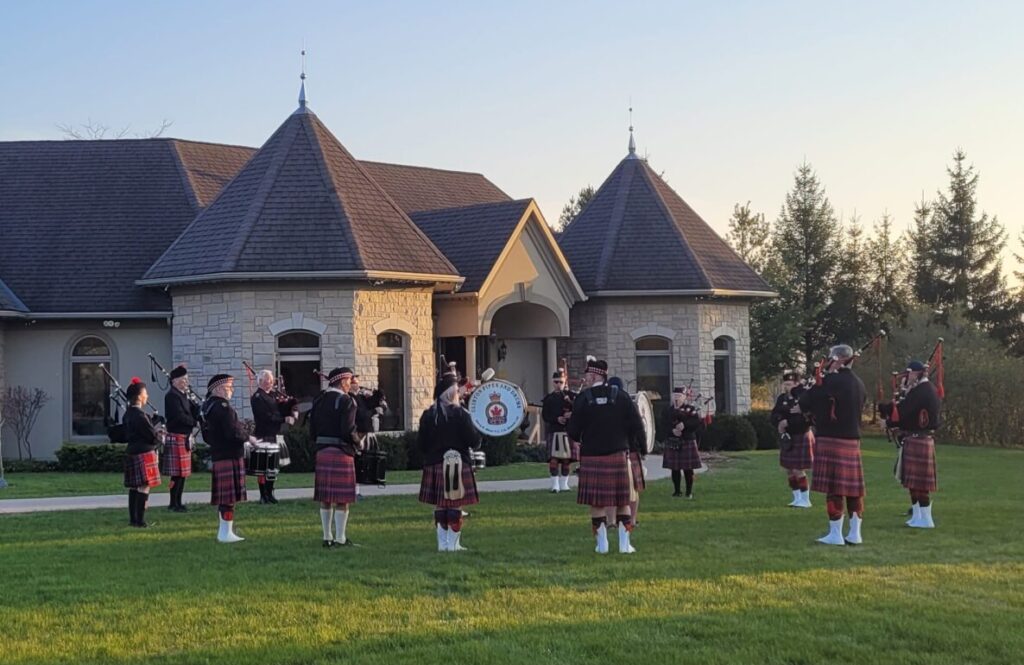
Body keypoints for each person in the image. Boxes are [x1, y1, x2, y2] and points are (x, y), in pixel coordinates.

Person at [567, 358, 645, 555]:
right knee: (623, 502)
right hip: (618, 454)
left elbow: (574, 431)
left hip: (592, 456)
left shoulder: (583, 399)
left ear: (594, 375)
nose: (585, 378)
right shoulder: (622, 397)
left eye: (587, 375)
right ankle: (624, 545)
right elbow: (637, 426)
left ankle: (602, 546)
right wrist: (638, 447)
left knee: (597, 504)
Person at [799, 344, 867, 546]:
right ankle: (855, 533)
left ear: (836, 359)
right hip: (852, 441)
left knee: (834, 488)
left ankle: (835, 534)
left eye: (829, 358)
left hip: (831, 439)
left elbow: (804, 403)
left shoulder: (828, 382)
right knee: (854, 490)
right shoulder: (859, 383)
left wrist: (813, 382)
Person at [417, 372, 481, 552]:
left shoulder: (428, 415)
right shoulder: (461, 414)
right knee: (455, 504)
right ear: (452, 393)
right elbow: (473, 440)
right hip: (459, 463)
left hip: (435, 463)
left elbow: (421, 444)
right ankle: (453, 545)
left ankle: (442, 544)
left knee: (441, 504)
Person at [884, 360, 942, 528]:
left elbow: (903, 413)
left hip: (918, 439)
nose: (906, 378)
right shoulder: (920, 390)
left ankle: (926, 519)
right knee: (912, 483)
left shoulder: (922, 391)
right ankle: (917, 516)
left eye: (908, 374)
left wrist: (889, 422)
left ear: (916, 373)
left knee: (920, 484)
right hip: (915, 438)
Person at [309, 367, 360, 548]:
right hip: (341, 451)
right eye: (349, 380)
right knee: (342, 499)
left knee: (326, 497)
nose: (351, 384)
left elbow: (312, 429)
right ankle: (340, 538)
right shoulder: (347, 401)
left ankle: (326, 537)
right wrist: (357, 443)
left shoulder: (319, 399)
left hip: (322, 450)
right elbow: (348, 430)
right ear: (342, 381)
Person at [201, 374, 249, 543]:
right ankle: (225, 533)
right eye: (229, 387)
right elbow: (233, 433)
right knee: (228, 498)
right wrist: (247, 436)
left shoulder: (208, 407)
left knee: (226, 497)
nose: (232, 390)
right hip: (229, 454)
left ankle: (225, 531)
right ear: (219, 389)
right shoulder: (223, 407)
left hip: (219, 454)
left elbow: (207, 436)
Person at [250, 369, 296, 504]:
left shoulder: (272, 395)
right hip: (263, 435)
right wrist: (284, 419)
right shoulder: (257, 397)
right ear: (260, 381)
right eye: (267, 380)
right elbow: (266, 417)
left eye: (271, 380)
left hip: (273, 434)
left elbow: (279, 409)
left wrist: (290, 405)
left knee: (272, 467)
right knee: (263, 467)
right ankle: (263, 495)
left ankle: (270, 493)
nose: (270, 382)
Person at [771, 370, 814, 508]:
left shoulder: (804, 397)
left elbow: (806, 419)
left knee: (797, 469)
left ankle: (805, 499)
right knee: (789, 469)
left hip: (801, 434)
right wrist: (779, 422)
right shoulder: (782, 398)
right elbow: (775, 413)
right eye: (785, 384)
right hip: (788, 437)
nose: (786, 387)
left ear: (797, 383)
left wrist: (788, 423)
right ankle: (796, 498)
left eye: (790, 384)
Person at [123, 378, 162, 527]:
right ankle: (140, 520)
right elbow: (151, 436)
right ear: (139, 396)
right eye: (145, 393)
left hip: (132, 451)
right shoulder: (140, 415)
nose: (147, 396)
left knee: (134, 487)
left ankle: (133, 519)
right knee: (144, 487)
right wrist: (159, 436)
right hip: (144, 454)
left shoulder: (128, 414)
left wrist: (152, 423)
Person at [162, 365, 199, 512]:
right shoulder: (171, 396)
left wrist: (197, 406)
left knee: (183, 473)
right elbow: (179, 416)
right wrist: (194, 423)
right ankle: (173, 502)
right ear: (174, 381)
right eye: (183, 379)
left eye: (186, 379)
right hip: (176, 435)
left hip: (184, 437)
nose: (186, 382)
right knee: (175, 474)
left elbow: (193, 411)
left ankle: (179, 501)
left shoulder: (184, 394)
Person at [662, 387, 704, 499]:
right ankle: (677, 491)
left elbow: (697, 423)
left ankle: (688, 492)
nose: (676, 398)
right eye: (674, 396)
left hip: (687, 440)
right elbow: (663, 424)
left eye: (679, 396)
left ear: (684, 397)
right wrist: (672, 431)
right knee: (674, 468)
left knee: (688, 468)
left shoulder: (691, 410)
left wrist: (685, 425)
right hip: (673, 441)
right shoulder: (667, 411)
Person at [541, 369, 577, 492]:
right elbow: (545, 416)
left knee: (567, 459)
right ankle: (555, 485)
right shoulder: (549, 399)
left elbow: (580, 411)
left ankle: (564, 484)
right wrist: (556, 419)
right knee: (554, 459)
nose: (558, 384)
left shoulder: (571, 397)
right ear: (552, 382)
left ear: (564, 381)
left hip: (568, 431)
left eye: (560, 382)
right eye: (556, 382)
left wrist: (572, 413)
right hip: (554, 431)